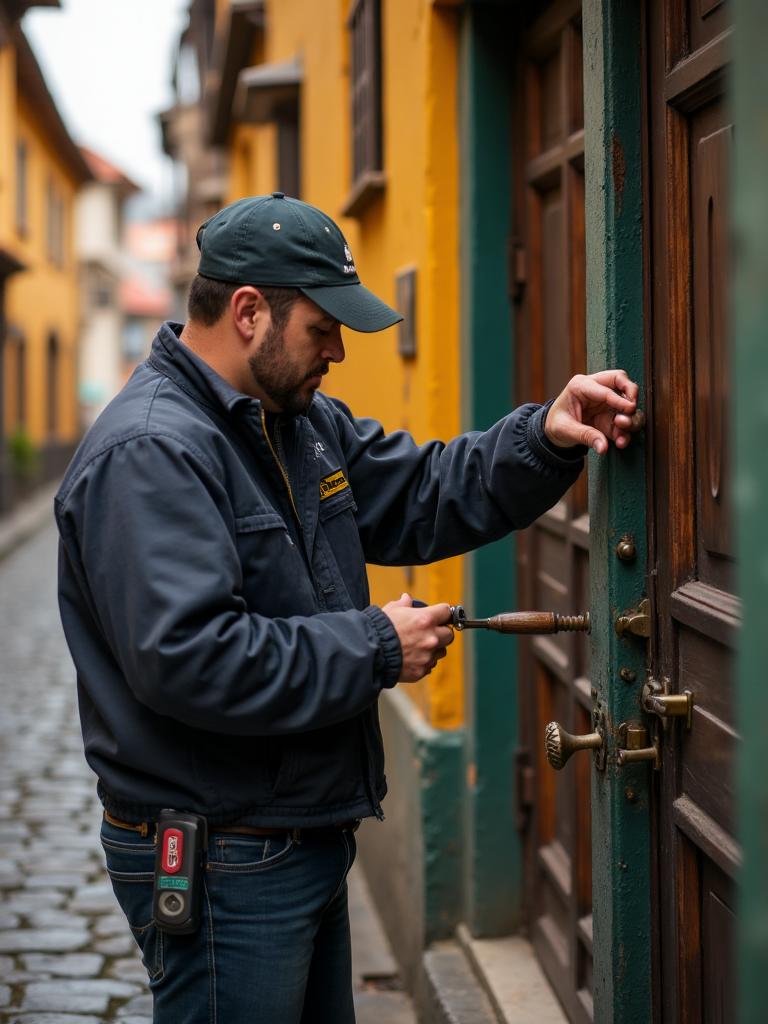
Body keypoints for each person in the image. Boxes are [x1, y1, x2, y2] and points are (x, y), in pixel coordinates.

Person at [54, 193, 640, 1023]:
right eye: (322, 327)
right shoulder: (153, 450)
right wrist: (376, 645)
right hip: (225, 856)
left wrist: (544, 435)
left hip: (292, 833)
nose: (337, 349)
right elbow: (190, 658)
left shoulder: (292, 420)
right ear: (249, 313)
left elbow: (422, 491)